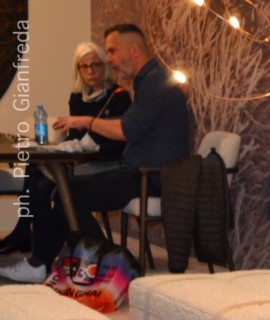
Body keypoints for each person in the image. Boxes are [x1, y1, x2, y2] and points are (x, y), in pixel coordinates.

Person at [3, 23, 191, 283]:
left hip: (150, 177)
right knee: (65, 190)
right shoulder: (149, 81)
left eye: (112, 51)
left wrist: (85, 121)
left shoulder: (156, 83)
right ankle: (48, 262)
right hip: (136, 171)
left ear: (134, 50)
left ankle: (112, 263)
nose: (109, 59)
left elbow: (124, 130)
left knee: (68, 192)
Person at [0, 40, 131, 255]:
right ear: (78, 69)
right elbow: (75, 136)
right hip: (80, 161)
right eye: (84, 66)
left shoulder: (119, 96)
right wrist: (70, 143)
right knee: (34, 170)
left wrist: (88, 145)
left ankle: (37, 245)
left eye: (95, 65)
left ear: (104, 66)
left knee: (43, 185)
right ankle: (27, 236)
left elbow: (120, 141)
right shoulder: (77, 97)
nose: (90, 71)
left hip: (105, 162)